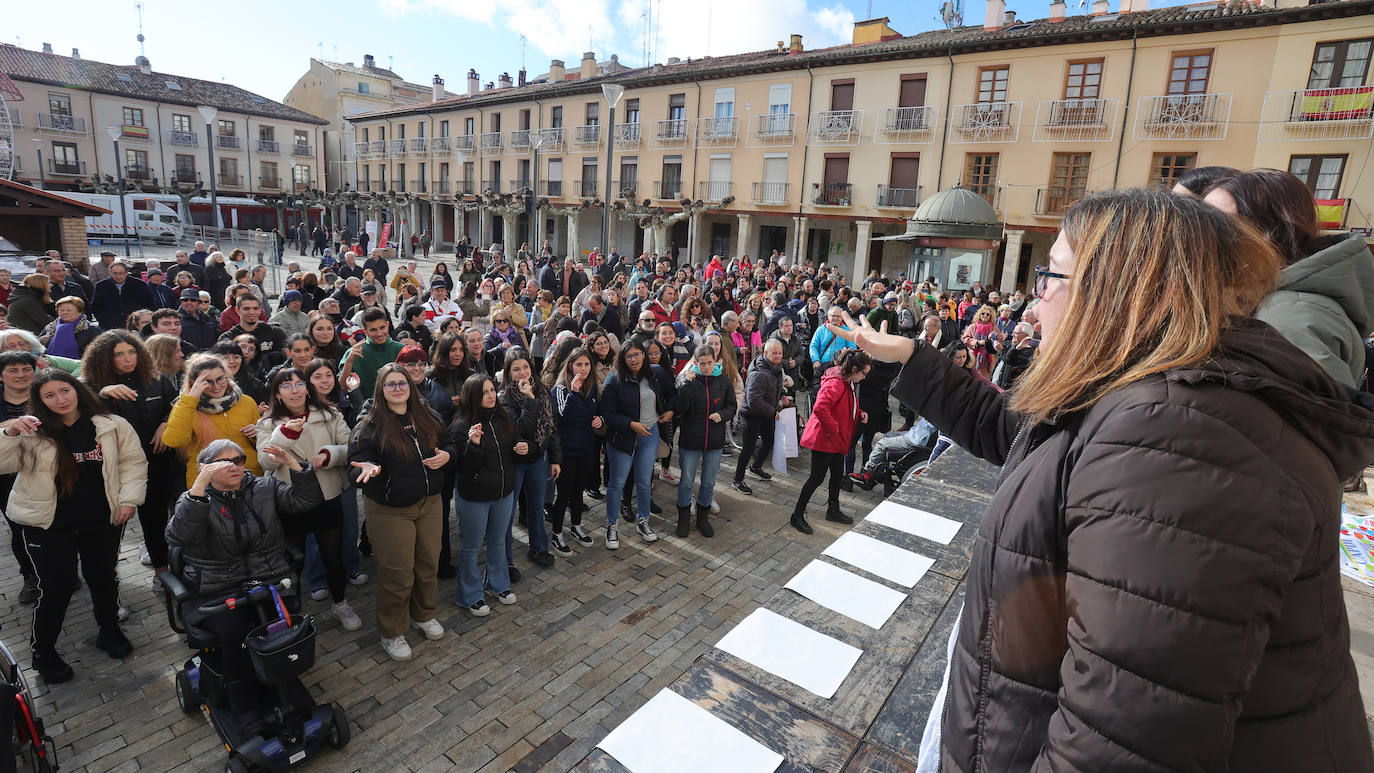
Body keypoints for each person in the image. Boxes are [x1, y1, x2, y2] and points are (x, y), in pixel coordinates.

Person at [836, 188, 1374, 772]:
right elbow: (1013, 429)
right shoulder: (1146, 394)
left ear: (1118, 292)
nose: (1035, 302)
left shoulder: (1177, 442)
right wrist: (910, 356)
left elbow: (1118, 741)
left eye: (1053, 275)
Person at [0, 370, 146, 682]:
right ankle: (44, 652)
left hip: (101, 519)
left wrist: (128, 500)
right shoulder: (30, 430)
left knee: (103, 577)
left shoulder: (111, 425)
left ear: (77, 390)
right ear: (39, 401)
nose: (60, 399)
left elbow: (132, 463)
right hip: (47, 524)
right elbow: (2, 463)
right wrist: (10, 433)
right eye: (49, 395)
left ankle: (109, 631)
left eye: (65, 390)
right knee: (56, 588)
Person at [165, 438, 323, 710]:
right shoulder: (192, 499)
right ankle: (243, 702)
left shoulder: (264, 487)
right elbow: (178, 536)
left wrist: (294, 465)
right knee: (235, 631)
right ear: (205, 468)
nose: (234, 466)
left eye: (238, 460)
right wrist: (199, 488)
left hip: (268, 581)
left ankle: (283, 683)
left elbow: (306, 501)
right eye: (223, 462)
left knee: (280, 628)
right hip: (219, 590)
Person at [1204, 168, 1374, 390]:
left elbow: (1324, 419)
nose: (1203, 234)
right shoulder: (1276, 303)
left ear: (1271, 232)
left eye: (1219, 223)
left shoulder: (1289, 315)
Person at [348, 363, 451, 661]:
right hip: (391, 510)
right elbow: (355, 466)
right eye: (390, 384)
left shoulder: (427, 414)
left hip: (430, 502)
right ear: (381, 389)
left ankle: (424, 614)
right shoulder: (369, 424)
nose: (397, 388)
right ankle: (392, 631)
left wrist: (448, 455)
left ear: (410, 385)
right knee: (398, 574)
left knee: (428, 564)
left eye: (401, 383)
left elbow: (449, 442)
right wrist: (365, 469)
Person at [256, 368, 362, 632]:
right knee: (292, 560)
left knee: (332, 555)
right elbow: (264, 461)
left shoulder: (329, 414)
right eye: (287, 386)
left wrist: (329, 456)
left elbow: (350, 447)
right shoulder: (267, 424)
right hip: (290, 499)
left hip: (326, 494)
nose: (295, 390)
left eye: (299, 383)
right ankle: (291, 614)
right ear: (277, 394)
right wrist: (284, 435)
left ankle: (341, 603)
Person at [80, 330, 179, 582]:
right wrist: (100, 394)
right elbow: (76, 418)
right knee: (111, 530)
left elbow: (177, 404)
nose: (128, 359)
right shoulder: (89, 385)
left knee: (155, 521)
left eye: (132, 352)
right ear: (103, 358)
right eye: (119, 355)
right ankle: (108, 584)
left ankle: (162, 573)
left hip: (156, 462)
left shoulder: (156, 379)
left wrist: (166, 422)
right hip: (112, 469)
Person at [446, 373, 519, 616]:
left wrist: (522, 447)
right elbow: (464, 469)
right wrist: (474, 445)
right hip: (475, 496)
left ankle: (497, 584)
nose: (490, 396)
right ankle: (469, 594)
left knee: (498, 541)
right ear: (472, 396)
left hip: (503, 491)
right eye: (484, 392)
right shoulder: (460, 425)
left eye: (492, 390)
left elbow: (510, 449)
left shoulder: (502, 417)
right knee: (471, 546)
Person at [789, 347, 871, 534]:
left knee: (836, 474)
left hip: (833, 438)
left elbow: (844, 406)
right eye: (864, 373)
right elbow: (820, 407)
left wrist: (858, 414)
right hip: (825, 438)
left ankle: (832, 509)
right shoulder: (837, 383)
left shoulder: (847, 381)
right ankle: (797, 514)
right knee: (816, 478)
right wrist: (834, 428)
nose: (864, 378)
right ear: (855, 370)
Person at [599, 340, 670, 549]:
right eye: (629, 355)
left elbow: (673, 393)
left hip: (650, 435)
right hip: (623, 438)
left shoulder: (655, 374)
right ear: (623, 358)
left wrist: (670, 410)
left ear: (644, 355)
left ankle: (643, 521)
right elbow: (608, 414)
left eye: (637, 354)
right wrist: (631, 424)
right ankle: (612, 526)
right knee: (617, 483)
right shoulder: (615, 379)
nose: (634, 359)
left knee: (644, 482)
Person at [162, 353, 264, 488]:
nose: (216, 386)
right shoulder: (185, 406)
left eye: (220, 379)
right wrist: (190, 401)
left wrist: (258, 433)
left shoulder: (246, 401)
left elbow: (262, 444)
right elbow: (174, 440)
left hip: (249, 478)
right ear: (194, 383)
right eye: (208, 382)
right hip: (208, 483)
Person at [498, 349, 560, 571]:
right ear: (508, 372)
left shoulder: (542, 391)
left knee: (536, 505)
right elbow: (520, 430)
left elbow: (551, 429)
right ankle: (505, 559)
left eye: (525, 367)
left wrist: (555, 459)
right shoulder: (504, 399)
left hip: (536, 459)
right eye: (516, 369)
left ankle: (539, 547)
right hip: (514, 462)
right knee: (508, 511)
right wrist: (528, 400)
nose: (522, 373)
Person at [673, 344, 735, 538]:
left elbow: (732, 405)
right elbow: (680, 409)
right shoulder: (688, 380)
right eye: (702, 364)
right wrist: (686, 385)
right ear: (696, 363)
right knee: (686, 481)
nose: (706, 367)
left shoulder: (723, 381)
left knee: (708, 482)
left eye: (709, 363)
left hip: (714, 441)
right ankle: (683, 519)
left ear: (715, 361)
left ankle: (702, 518)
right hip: (691, 439)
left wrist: (723, 415)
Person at [550, 348, 602, 551]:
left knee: (579, 492)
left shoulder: (593, 387)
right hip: (567, 450)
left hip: (586, 448)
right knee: (564, 494)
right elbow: (564, 417)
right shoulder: (561, 389)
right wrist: (573, 392)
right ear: (570, 365)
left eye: (586, 364)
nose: (583, 369)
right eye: (578, 364)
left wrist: (600, 419)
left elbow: (597, 412)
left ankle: (576, 526)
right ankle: (556, 533)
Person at [732, 337, 790, 495]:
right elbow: (754, 401)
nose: (778, 356)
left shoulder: (775, 367)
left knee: (769, 441)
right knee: (748, 448)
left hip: (767, 412)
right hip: (751, 414)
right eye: (774, 353)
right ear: (765, 353)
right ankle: (737, 479)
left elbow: (774, 386)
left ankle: (756, 467)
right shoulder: (758, 373)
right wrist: (773, 411)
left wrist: (782, 395)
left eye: (780, 353)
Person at [339, 308, 404, 396]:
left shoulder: (402, 350)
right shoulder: (353, 353)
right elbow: (342, 388)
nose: (379, 333)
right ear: (365, 331)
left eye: (382, 327)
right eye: (373, 330)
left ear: (387, 325)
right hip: (366, 406)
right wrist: (349, 361)